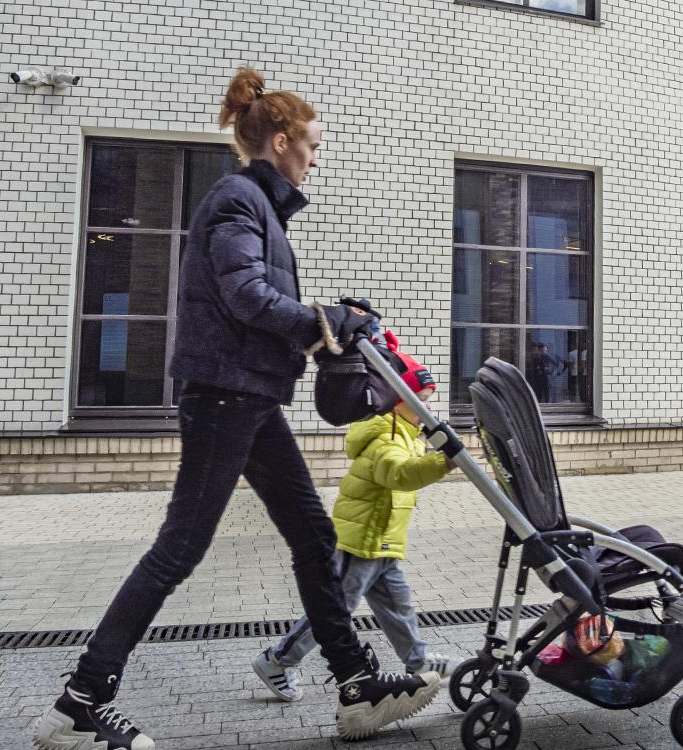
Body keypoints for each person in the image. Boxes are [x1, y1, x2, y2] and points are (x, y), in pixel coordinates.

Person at [32, 68, 439, 750]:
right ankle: (80, 704)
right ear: (281, 141)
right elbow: (247, 296)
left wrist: (330, 321)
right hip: (226, 395)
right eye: (311, 145)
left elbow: (254, 301)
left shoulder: (257, 207)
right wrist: (327, 322)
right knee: (180, 549)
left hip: (248, 395)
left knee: (313, 538)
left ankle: (356, 687)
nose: (316, 158)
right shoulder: (237, 200)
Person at [253, 334, 462, 701]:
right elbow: (397, 474)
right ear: (396, 402)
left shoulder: (406, 434)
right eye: (420, 401)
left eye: (428, 401)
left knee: (398, 607)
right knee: (336, 609)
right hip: (361, 541)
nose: (426, 409)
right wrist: (441, 462)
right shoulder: (384, 437)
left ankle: (419, 661)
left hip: (382, 542)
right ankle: (278, 659)